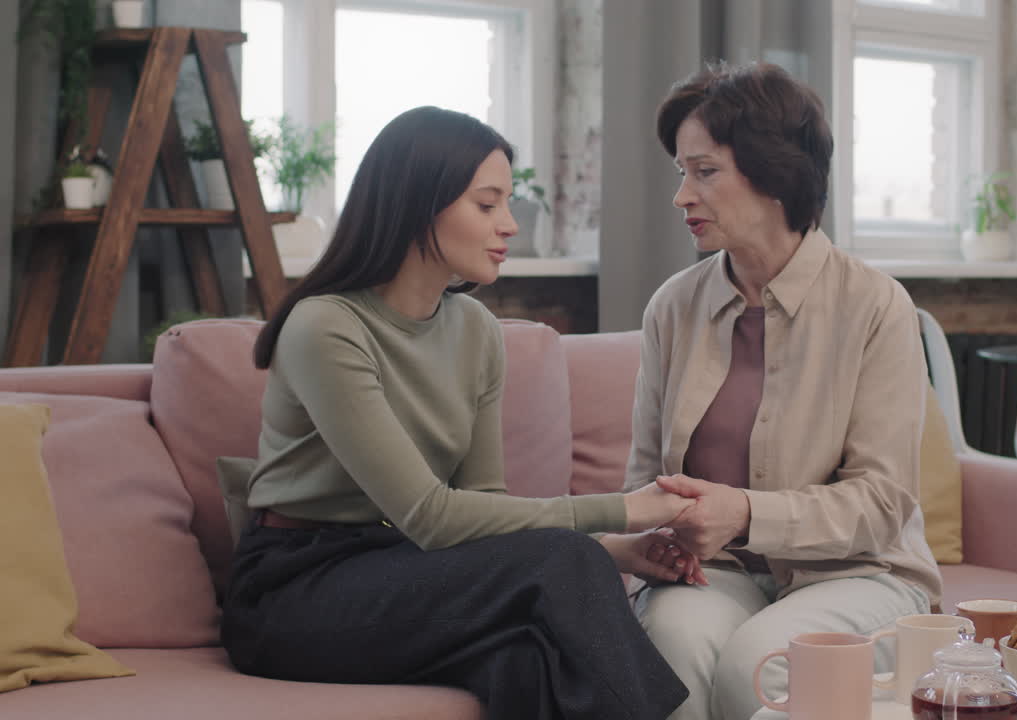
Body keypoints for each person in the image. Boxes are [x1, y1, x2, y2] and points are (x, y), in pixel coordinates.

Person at [221, 106, 701, 720]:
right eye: (487, 204)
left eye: (506, 204)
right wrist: (625, 510)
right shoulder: (327, 326)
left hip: (408, 573)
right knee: (564, 561)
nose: (508, 225)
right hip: (297, 591)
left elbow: (483, 507)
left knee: (529, 657)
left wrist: (615, 549)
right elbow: (431, 515)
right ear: (420, 203)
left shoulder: (475, 330)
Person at [626, 62, 944, 720]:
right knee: (672, 647)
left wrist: (744, 513)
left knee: (761, 665)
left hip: (861, 574)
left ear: (773, 173)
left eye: (704, 172)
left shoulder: (876, 306)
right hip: (715, 573)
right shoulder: (673, 308)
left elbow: (882, 502)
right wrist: (646, 542)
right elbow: (646, 480)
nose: (682, 196)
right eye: (680, 173)